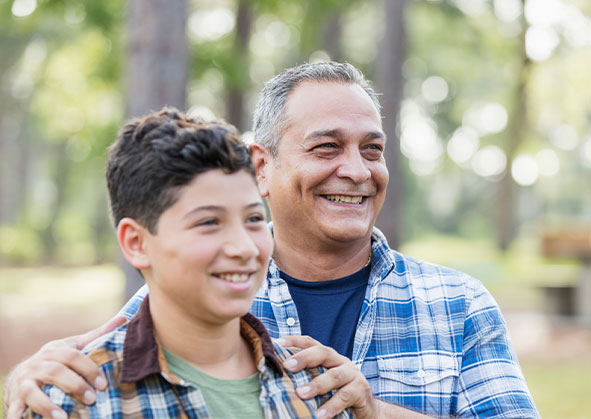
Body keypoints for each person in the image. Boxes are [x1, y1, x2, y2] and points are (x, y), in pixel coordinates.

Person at [5, 62, 539, 419]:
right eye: (327, 147)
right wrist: (29, 380)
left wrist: (376, 411)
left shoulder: (460, 305)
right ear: (262, 166)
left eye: (372, 149)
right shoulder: (204, 291)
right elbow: (102, 361)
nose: (356, 170)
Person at [21, 107, 352, 418]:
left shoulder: (317, 388)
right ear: (136, 243)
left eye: (253, 218)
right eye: (209, 222)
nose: (244, 247)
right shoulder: (74, 399)